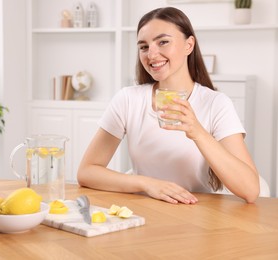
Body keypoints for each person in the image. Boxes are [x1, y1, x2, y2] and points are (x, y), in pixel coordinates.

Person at [77, 7, 260, 204]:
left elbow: (250, 190)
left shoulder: (216, 103)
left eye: (163, 42)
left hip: (198, 215)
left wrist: (197, 132)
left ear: (189, 45)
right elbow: (87, 171)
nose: (152, 54)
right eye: (144, 47)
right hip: (145, 212)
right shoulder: (128, 99)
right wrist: (147, 184)